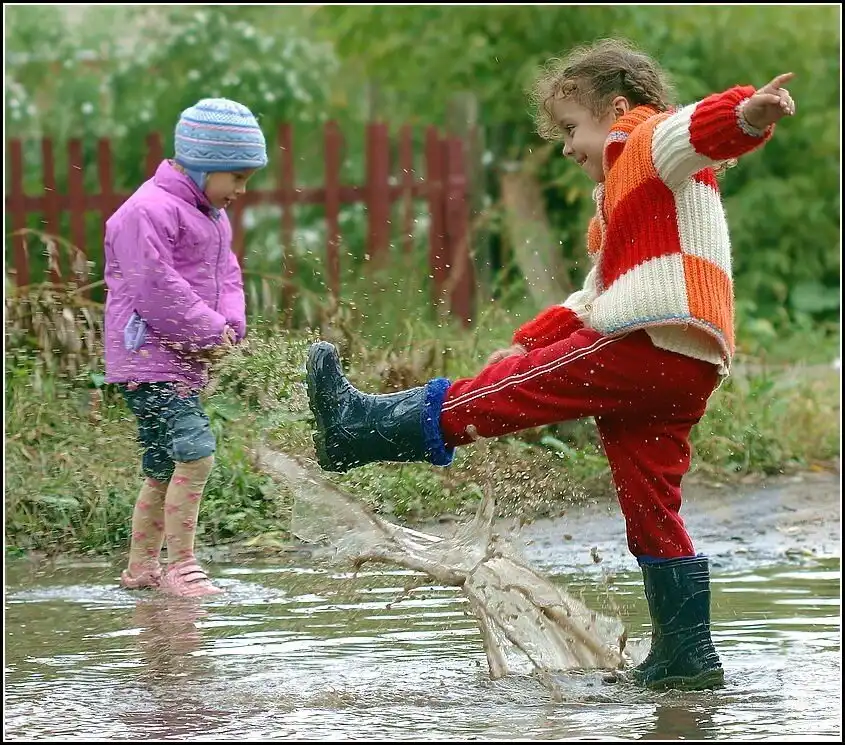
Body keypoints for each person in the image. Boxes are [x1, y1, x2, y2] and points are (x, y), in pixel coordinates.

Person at [305, 39, 797, 689]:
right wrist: (529, 341)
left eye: (570, 128)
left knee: (508, 392)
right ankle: (686, 657)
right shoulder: (624, 201)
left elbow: (697, 128)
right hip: (687, 362)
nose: (566, 147)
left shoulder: (646, 140)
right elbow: (594, 295)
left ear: (615, 109)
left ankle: (361, 430)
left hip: (647, 342)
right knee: (651, 502)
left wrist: (748, 112)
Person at [104, 98, 267, 597]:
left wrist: (230, 325)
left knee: (162, 466)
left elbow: (229, 274)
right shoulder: (146, 211)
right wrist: (209, 332)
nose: (242, 190)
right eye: (237, 178)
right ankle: (183, 566)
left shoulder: (211, 215)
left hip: (180, 360)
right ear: (203, 165)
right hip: (149, 362)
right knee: (196, 455)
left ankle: (141, 569)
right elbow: (156, 287)